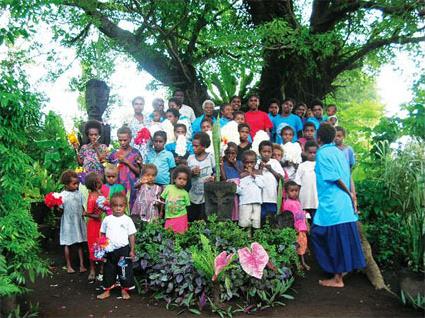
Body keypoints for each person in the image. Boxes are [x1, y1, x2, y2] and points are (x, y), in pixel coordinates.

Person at [310, 123, 365, 288]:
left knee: (326, 237)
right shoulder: (340, 152)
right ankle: (340, 271)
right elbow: (348, 175)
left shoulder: (323, 153)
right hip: (341, 205)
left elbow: (335, 177)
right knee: (331, 236)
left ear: (318, 138)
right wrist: (351, 196)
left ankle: (337, 278)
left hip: (333, 204)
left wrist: (349, 193)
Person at [97, 192, 137, 300]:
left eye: (121, 206)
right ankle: (107, 291)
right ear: (111, 206)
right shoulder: (107, 219)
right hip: (110, 250)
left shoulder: (127, 220)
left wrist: (132, 250)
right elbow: (102, 234)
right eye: (115, 206)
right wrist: (102, 246)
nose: (118, 208)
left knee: (124, 270)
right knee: (108, 270)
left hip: (123, 250)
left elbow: (131, 235)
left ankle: (124, 290)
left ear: (125, 206)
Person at [59, 170, 87, 274]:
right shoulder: (62, 195)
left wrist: (84, 212)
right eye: (74, 184)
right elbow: (61, 209)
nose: (76, 186)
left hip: (77, 221)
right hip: (67, 222)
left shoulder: (79, 193)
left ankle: (82, 265)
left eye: (77, 183)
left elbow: (83, 206)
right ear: (66, 184)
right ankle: (68, 265)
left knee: (79, 243)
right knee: (67, 243)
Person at [107, 126, 142, 210]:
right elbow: (109, 171)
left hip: (132, 187)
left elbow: (139, 172)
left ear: (130, 139)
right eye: (120, 140)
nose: (122, 142)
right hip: (118, 187)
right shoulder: (113, 154)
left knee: (131, 209)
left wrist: (127, 162)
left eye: (125, 140)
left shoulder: (135, 153)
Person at [187, 132, 215, 221]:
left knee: (204, 219)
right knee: (192, 219)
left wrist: (213, 178)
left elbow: (216, 172)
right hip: (193, 195)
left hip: (206, 196)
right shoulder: (190, 158)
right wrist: (191, 173)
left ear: (204, 146)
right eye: (193, 146)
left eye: (196, 146)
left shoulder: (210, 157)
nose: (194, 148)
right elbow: (185, 175)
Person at [283, 181, 310, 270]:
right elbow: (288, 217)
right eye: (292, 191)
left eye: (296, 190)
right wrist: (294, 228)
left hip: (302, 229)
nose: (295, 193)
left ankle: (303, 262)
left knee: (302, 246)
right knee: (296, 247)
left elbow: (302, 214)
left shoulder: (297, 202)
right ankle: (297, 264)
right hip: (296, 230)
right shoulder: (287, 203)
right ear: (286, 192)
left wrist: (306, 224)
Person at [237, 150, 264, 236]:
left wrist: (253, 175)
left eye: (251, 162)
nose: (249, 165)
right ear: (243, 163)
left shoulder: (259, 173)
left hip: (256, 202)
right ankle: (246, 241)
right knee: (245, 223)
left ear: (255, 162)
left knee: (256, 222)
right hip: (245, 202)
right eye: (247, 162)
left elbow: (262, 185)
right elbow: (240, 189)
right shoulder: (242, 174)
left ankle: (256, 240)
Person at [256, 141, 284, 222]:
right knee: (261, 218)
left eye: (269, 152)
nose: (266, 154)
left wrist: (271, 169)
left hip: (272, 197)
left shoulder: (275, 162)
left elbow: (281, 178)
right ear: (260, 152)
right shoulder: (256, 162)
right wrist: (260, 169)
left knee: (271, 218)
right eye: (264, 151)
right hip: (260, 198)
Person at [84, 172, 104, 281]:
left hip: (97, 223)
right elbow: (95, 215)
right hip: (95, 225)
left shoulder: (97, 195)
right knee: (95, 246)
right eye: (100, 181)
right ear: (96, 184)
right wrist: (87, 213)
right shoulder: (93, 197)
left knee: (98, 246)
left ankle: (97, 269)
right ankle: (96, 269)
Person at [161, 165, 192, 234]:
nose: (182, 181)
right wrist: (161, 212)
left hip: (181, 217)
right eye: (179, 178)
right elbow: (162, 200)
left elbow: (187, 206)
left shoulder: (185, 193)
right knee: (168, 234)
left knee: (180, 235)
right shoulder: (168, 188)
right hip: (169, 217)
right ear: (175, 179)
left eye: (184, 179)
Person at [294, 141, 318, 221]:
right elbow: (297, 183)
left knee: (316, 219)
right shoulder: (302, 166)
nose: (312, 154)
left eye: (314, 152)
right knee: (302, 220)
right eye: (310, 152)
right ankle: (303, 233)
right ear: (305, 152)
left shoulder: (320, 165)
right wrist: (296, 197)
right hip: (304, 198)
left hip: (316, 198)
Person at [220, 142, 243, 221]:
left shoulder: (239, 163)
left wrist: (234, 165)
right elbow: (224, 179)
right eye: (228, 153)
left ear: (236, 154)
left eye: (233, 153)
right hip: (229, 192)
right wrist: (221, 166)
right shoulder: (224, 165)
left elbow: (242, 176)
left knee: (239, 211)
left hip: (239, 192)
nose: (230, 156)